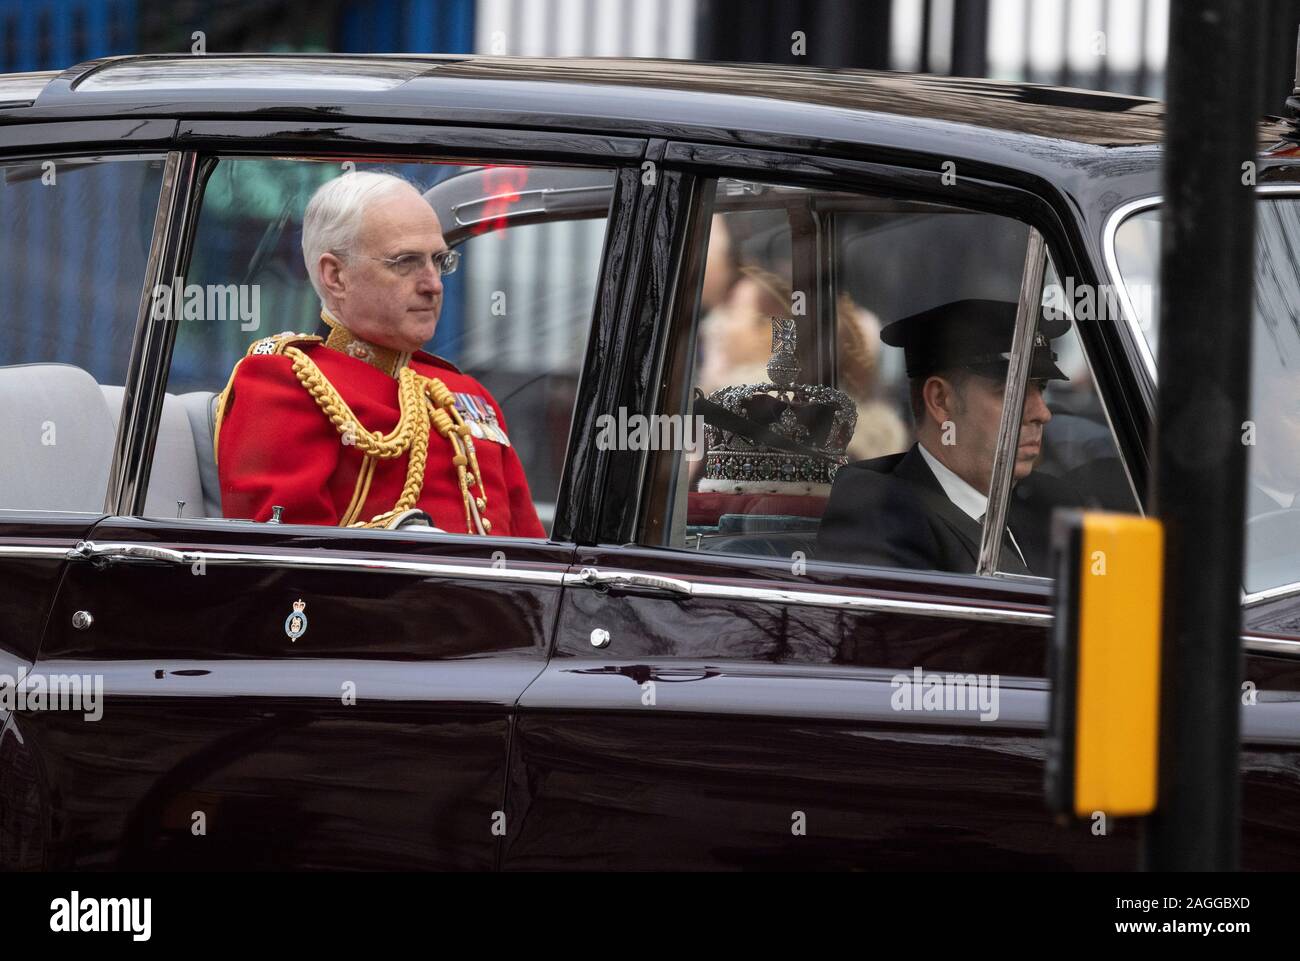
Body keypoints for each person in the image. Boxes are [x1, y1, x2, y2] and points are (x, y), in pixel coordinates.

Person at [214, 171, 544, 535]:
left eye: (439, 261)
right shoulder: (286, 382)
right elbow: (288, 565)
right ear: (335, 276)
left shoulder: (466, 393)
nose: (433, 284)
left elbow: (533, 551)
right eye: (405, 262)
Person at [815, 299, 1078, 575]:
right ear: (941, 400)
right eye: (1011, 392)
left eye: (1042, 388)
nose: (1042, 413)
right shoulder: (874, 514)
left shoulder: (1052, 504)